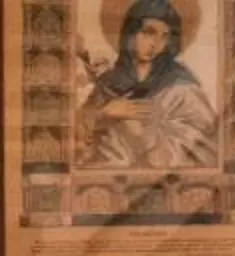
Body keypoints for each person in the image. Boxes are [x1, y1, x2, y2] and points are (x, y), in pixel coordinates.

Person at [77, 0, 220, 173]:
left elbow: (205, 144)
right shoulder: (108, 81)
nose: (156, 43)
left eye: (164, 36)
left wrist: (145, 133)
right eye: (148, 33)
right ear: (130, 33)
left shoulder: (181, 85)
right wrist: (104, 113)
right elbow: (78, 131)